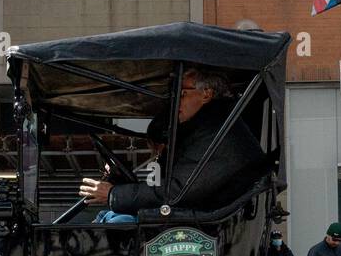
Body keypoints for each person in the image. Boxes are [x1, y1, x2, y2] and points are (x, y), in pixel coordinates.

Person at [78, 66, 267, 220]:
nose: (176, 102)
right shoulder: (204, 128)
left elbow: (176, 192)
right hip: (202, 217)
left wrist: (115, 194)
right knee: (112, 217)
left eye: (182, 94)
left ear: (206, 94)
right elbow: (166, 185)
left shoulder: (215, 132)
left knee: (119, 221)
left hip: (206, 223)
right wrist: (121, 183)